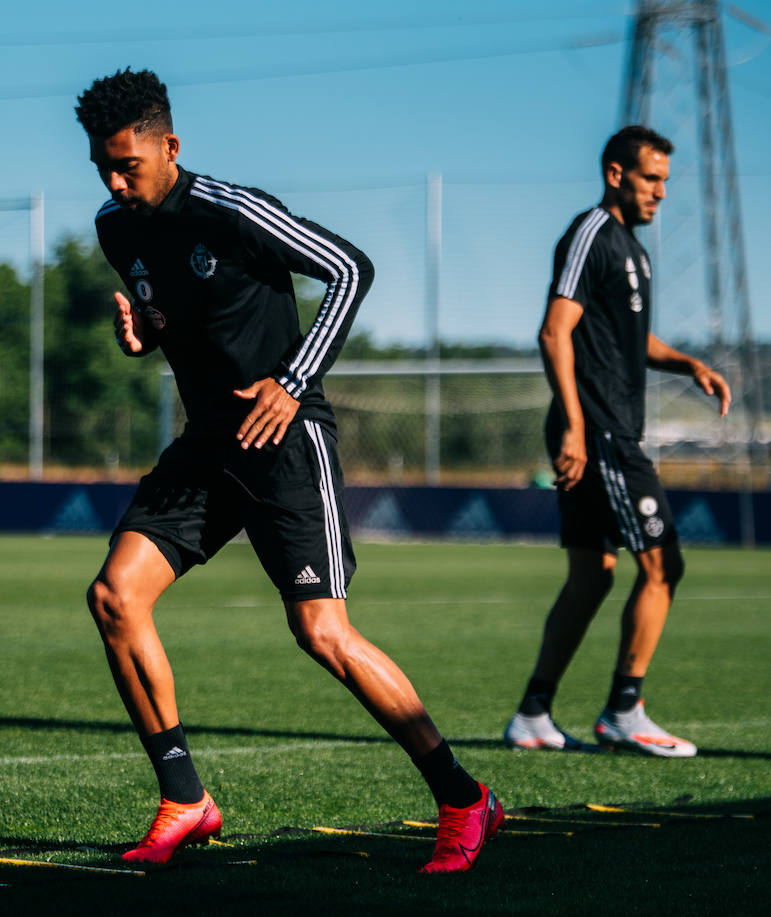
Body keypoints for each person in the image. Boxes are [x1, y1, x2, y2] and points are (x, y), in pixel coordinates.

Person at [77, 69, 501, 873]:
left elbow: (350, 268)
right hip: (208, 443)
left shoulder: (235, 210)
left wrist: (293, 380)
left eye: (127, 164)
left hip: (283, 438)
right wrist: (144, 335)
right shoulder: (114, 225)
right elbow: (175, 315)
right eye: (102, 165)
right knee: (115, 596)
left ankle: (462, 796)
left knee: (322, 633)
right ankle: (184, 799)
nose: (113, 180)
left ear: (170, 146)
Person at [503, 126, 731, 758]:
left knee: (593, 577)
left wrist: (688, 363)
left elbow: (633, 341)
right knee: (664, 565)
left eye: (663, 180)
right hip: (600, 432)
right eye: (650, 178)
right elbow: (555, 332)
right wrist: (575, 426)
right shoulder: (590, 235)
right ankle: (624, 712)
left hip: (606, 429)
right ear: (614, 174)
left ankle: (532, 715)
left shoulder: (636, 248)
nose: (660, 192)